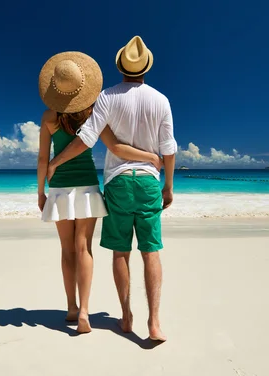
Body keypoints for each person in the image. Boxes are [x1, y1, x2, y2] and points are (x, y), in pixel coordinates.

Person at [47, 37, 177, 342]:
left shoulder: (107, 97)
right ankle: (155, 323)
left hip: (118, 181)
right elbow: (168, 150)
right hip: (148, 181)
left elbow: (86, 140)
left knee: (121, 252)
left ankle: (126, 316)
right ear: (146, 67)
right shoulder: (161, 100)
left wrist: (55, 162)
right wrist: (168, 186)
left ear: (121, 67)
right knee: (151, 252)